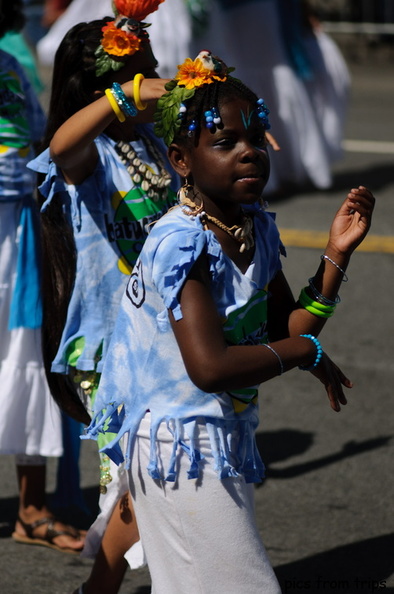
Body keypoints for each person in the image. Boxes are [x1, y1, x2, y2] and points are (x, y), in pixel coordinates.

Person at [85, 51, 375, 592]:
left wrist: (336, 257)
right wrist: (303, 356)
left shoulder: (254, 227)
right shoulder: (182, 243)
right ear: (181, 159)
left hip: (215, 437)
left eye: (256, 138)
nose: (249, 154)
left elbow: (288, 332)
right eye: (225, 143)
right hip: (179, 446)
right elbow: (211, 368)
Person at [28, 0, 179, 591]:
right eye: (142, 74)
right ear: (109, 91)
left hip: (169, 337)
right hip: (111, 347)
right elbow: (63, 146)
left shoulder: (154, 148)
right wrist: (130, 94)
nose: (156, 85)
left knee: (162, 481)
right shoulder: (92, 155)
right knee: (136, 486)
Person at [0, 0, 85, 554]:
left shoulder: (10, 65)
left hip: (17, 225)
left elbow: (39, 140)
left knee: (25, 354)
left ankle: (32, 510)